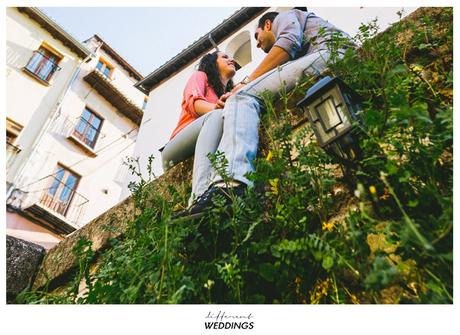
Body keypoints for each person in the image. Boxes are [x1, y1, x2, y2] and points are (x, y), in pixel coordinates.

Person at [182, 8, 354, 215]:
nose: (256, 43)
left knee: (241, 97)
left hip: (331, 53)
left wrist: (246, 82)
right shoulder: (298, 53)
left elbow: (288, 41)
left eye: (257, 35)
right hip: (331, 56)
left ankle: (232, 184)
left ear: (269, 25)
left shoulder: (285, 16)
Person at [161, 51, 243, 211]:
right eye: (225, 57)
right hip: (175, 149)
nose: (231, 59)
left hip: (204, 147)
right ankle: (198, 197)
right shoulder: (200, 76)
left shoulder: (225, 94)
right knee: (216, 116)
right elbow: (194, 103)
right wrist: (216, 107)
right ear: (212, 63)